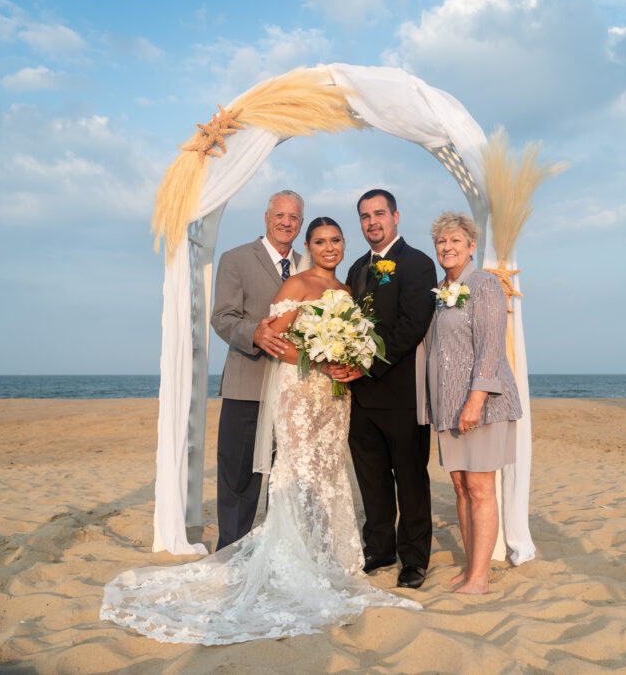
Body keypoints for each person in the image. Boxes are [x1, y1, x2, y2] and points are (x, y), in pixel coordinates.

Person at [101, 218, 420, 645]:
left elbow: (356, 343)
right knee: (298, 471)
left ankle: (328, 558)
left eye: (336, 240)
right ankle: (294, 560)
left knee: (328, 475)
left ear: (344, 245)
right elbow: (273, 337)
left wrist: (351, 361)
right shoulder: (297, 286)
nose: (330, 247)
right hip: (302, 393)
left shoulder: (346, 291)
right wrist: (321, 361)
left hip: (334, 399)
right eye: (321, 241)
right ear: (308, 245)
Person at [419, 211, 522, 594]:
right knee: (462, 487)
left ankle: (480, 577)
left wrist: (475, 401)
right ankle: (469, 567)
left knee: (480, 488)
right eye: (442, 242)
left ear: (471, 246)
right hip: (449, 406)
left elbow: (492, 349)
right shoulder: (441, 292)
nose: (447, 248)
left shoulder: (484, 286)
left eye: (455, 242)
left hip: (482, 406)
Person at [338, 189, 437, 589]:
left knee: (411, 479)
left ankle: (414, 558)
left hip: (402, 394)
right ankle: (379, 548)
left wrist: (365, 366)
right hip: (360, 398)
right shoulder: (357, 267)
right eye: (364, 216)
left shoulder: (418, 264)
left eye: (379, 214)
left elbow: (412, 326)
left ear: (396, 215)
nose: (372, 222)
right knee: (372, 478)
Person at [209, 190, 303, 551]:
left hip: (294, 389)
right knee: (239, 476)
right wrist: (256, 334)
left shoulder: (307, 263)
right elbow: (223, 318)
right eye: (280, 215)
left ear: (300, 223)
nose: (285, 222)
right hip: (247, 384)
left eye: (293, 217)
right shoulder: (235, 260)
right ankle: (231, 550)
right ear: (266, 217)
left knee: (285, 477)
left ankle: (279, 551)